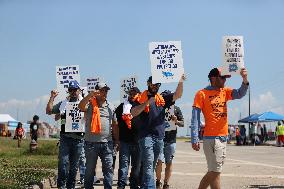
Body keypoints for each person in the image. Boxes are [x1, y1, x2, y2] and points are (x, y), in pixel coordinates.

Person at [191, 67, 249, 189]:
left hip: (221, 138)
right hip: (208, 138)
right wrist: (194, 137)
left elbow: (240, 93)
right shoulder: (201, 94)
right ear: (213, 78)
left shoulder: (225, 91)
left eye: (225, 78)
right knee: (215, 171)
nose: (225, 81)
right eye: (222, 78)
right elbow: (195, 118)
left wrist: (244, 79)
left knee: (214, 170)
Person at [131, 75, 186, 188]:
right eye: (153, 84)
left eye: (157, 84)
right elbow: (133, 112)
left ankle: (145, 186)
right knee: (148, 165)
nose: (155, 86)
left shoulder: (162, 98)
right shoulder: (140, 97)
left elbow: (177, 95)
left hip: (159, 137)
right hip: (146, 137)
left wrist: (180, 81)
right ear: (148, 83)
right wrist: (146, 103)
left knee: (152, 165)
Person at [78, 82, 118, 189]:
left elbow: (114, 124)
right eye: (102, 90)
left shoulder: (111, 105)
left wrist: (117, 141)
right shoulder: (90, 103)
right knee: (90, 171)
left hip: (107, 143)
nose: (104, 92)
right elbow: (80, 106)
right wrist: (90, 95)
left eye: (106, 90)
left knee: (108, 169)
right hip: (91, 144)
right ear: (96, 92)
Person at [46, 80, 85, 189]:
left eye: (75, 90)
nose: (73, 92)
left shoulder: (84, 103)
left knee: (73, 167)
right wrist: (52, 97)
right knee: (63, 164)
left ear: (79, 90)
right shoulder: (64, 103)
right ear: (68, 91)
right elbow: (49, 111)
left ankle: (70, 186)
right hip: (65, 138)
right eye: (70, 90)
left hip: (79, 140)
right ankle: (61, 186)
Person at [155, 91, 184, 189]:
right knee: (159, 161)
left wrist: (176, 121)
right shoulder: (158, 108)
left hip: (171, 139)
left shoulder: (176, 109)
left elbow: (182, 123)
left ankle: (166, 183)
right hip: (160, 138)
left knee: (169, 162)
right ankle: (158, 181)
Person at [115, 87, 141, 189]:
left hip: (138, 141)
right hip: (124, 141)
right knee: (123, 166)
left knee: (136, 167)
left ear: (138, 94)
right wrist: (116, 139)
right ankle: (121, 186)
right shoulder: (122, 106)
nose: (132, 95)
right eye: (130, 93)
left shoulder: (142, 106)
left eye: (134, 93)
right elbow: (115, 121)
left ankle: (133, 185)